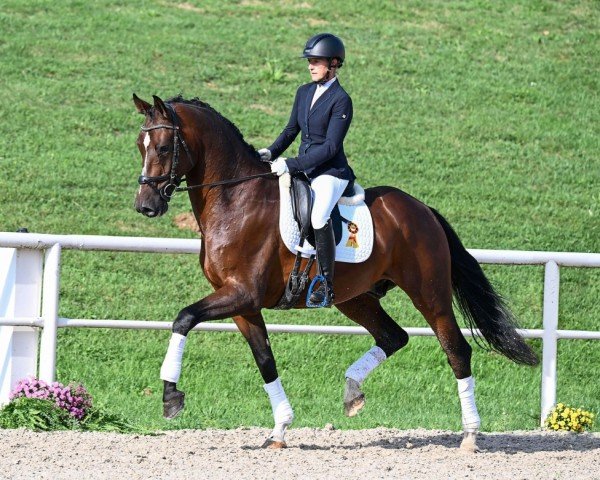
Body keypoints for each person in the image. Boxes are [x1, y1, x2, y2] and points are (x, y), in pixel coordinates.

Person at [259, 33, 355, 307]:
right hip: (304, 168)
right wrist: (269, 152)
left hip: (330, 172)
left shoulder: (341, 100)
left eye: (316, 61)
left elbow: (330, 147)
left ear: (334, 63)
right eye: (309, 61)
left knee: (318, 216)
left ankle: (325, 283)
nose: (311, 66)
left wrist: (291, 163)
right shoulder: (304, 92)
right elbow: (291, 130)